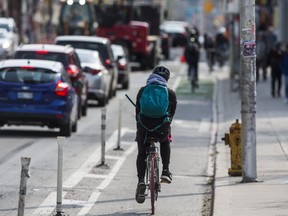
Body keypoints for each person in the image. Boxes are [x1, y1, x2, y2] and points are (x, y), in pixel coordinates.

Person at [135, 66, 177, 204]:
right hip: (161, 128)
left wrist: (140, 126)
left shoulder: (143, 90)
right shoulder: (170, 93)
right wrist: (167, 123)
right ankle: (165, 171)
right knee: (165, 141)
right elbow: (171, 114)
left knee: (142, 154)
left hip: (144, 127)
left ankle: (141, 180)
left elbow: (137, 112)